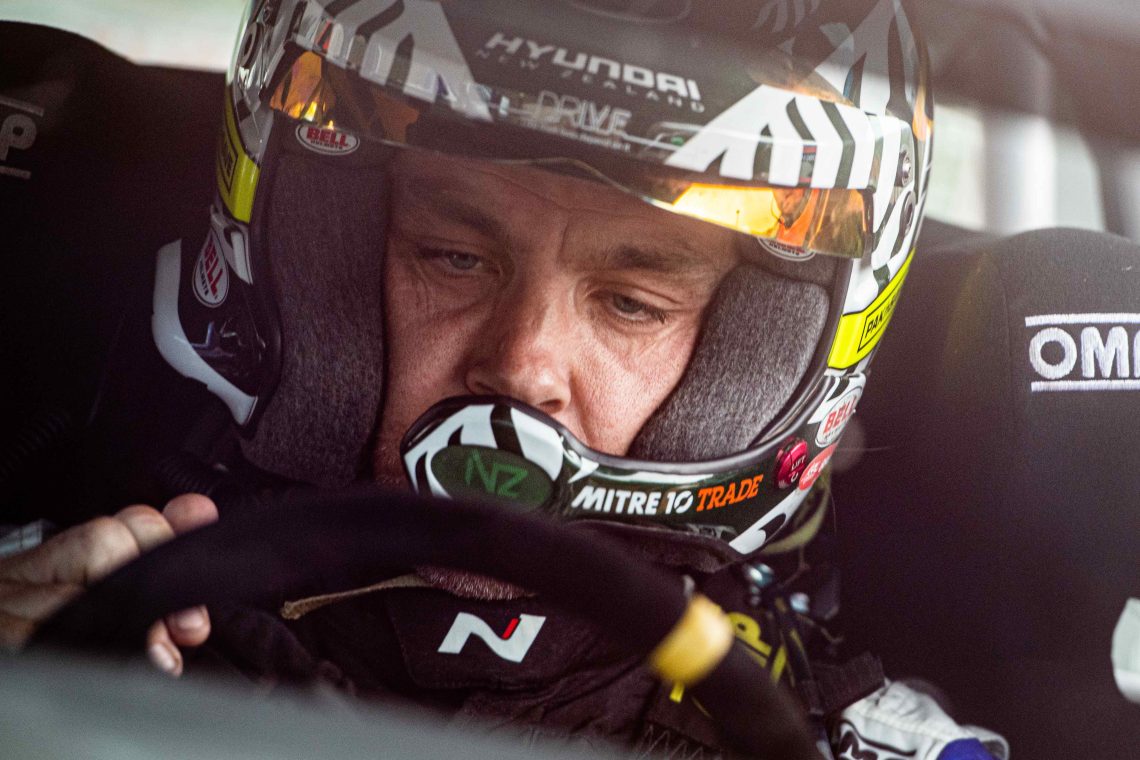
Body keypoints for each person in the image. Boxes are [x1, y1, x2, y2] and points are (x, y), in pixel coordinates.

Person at [0, 0, 1008, 756]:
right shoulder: (53, 629)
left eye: (631, 303)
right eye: (455, 257)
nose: (523, 368)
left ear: (754, 358)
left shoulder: (850, 743)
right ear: (322, 266)